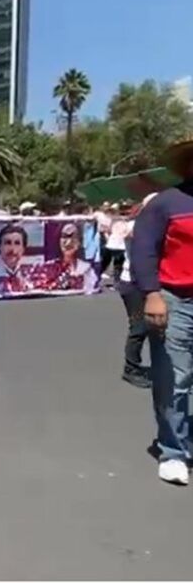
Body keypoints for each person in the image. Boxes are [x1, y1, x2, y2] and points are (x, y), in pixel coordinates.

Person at [132, 133, 193, 486]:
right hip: (174, 298)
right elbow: (144, 250)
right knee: (175, 378)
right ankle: (172, 450)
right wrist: (152, 294)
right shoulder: (167, 203)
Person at [116, 194, 156, 389]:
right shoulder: (137, 227)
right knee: (139, 327)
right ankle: (130, 368)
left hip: (145, 283)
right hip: (132, 284)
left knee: (154, 327)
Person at [0, 224, 32, 295]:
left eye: (17, 243)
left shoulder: (26, 273)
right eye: (8, 243)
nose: (12, 249)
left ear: (23, 249)